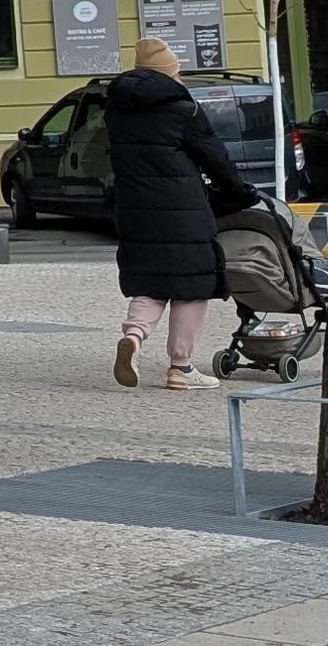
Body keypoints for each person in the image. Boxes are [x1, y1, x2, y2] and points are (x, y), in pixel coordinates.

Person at [106, 36, 258, 391]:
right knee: (191, 285)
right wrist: (241, 193)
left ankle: (134, 336)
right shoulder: (181, 108)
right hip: (182, 208)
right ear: (171, 73)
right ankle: (181, 367)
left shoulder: (115, 109)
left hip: (133, 210)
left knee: (150, 280)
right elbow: (215, 158)